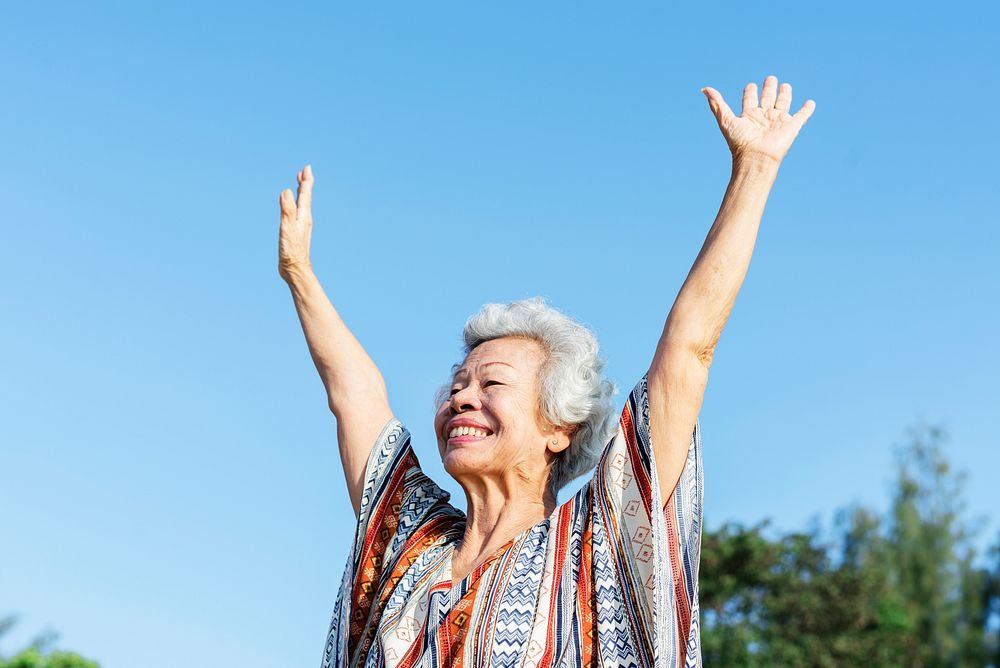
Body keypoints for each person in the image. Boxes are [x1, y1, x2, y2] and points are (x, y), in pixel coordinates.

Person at [278, 75, 815, 668]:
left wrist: (755, 171)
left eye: (492, 385)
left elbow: (688, 350)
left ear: (558, 426)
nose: (461, 398)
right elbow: (353, 396)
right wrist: (299, 273)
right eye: (457, 385)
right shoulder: (412, 545)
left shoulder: (599, 540)